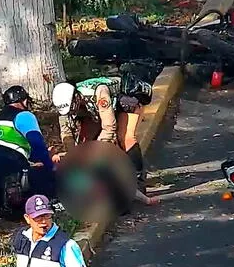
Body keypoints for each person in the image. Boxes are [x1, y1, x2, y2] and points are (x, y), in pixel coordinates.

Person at [51, 69, 159, 206]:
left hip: (125, 102)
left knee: (125, 138)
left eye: (73, 108)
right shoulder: (64, 106)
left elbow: (109, 127)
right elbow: (66, 134)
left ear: (76, 97)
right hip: (94, 111)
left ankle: (137, 179)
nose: (71, 112)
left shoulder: (99, 93)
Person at [0, 86, 56, 214]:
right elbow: (38, 145)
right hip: (9, 171)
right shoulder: (24, 115)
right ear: (24, 101)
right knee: (45, 173)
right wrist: (51, 167)